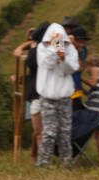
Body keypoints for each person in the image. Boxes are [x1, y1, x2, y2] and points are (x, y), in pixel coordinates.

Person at [36, 22, 79, 167]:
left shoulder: (70, 49)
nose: (59, 42)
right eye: (55, 38)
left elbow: (72, 68)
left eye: (61, 39)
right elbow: (46, 64)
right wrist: (54, 50)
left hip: (65, 97)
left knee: (65, 131)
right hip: (47, 97)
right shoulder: (42, 48)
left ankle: (66, 163)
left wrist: (64, 58)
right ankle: (43, 162)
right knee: (49, 131)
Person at [14, 24, 49, 161]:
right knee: (38, 129)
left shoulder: (40, 50)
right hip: (37, 90)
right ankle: (37, 156)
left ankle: (39, 157)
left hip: (38, 92)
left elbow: (19, 53)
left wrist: (29, 42)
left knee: (39, 129)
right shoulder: (39, 49)